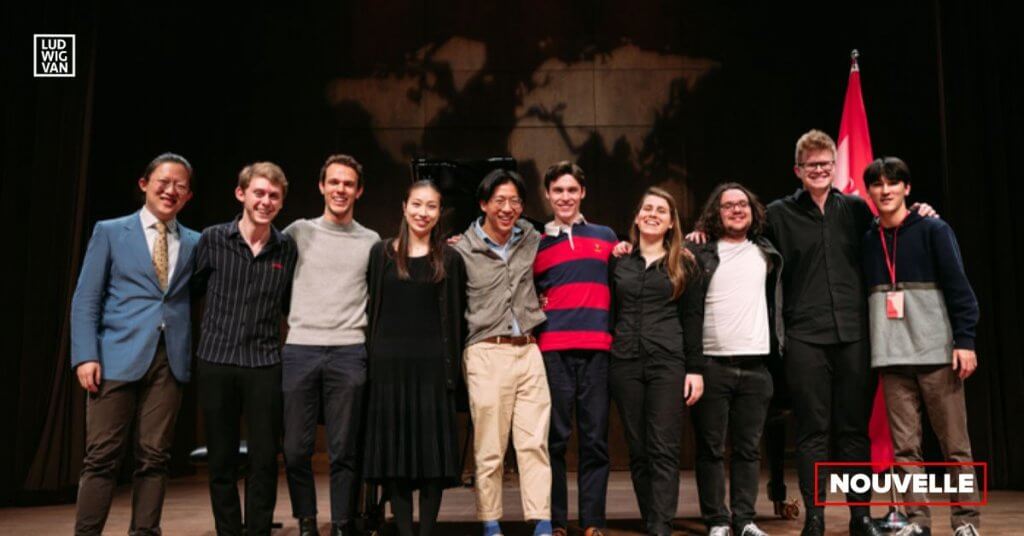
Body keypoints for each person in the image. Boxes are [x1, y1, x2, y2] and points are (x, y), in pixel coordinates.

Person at [70, 153, 199, 536]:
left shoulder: (196, 242)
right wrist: (85, 355)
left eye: (180, 186)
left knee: (154, 457)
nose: (171, 190)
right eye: (164, 182)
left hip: (168, 360)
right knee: (102, 457)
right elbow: (86, 298)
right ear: (144, 184)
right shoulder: (111, 232)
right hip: (114, 357)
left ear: (188, 196)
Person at [862, 157, 981, 536]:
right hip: (892, 358)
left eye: (893, 183)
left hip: (937, 355)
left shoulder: (934, 229)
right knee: (905, 450)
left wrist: (965, 340)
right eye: (878, 184)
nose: (885, 190)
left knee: (955, 447)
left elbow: (960, 289)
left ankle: (966, 521)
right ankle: (916, 522)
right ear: (870, 192)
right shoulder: (868, 239)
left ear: (907, 188)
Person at [193, 162, 298, 536]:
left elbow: (289, 304)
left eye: (274, 196)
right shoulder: (212, 239)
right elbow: (192, 290)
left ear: (281, 203)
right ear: (241, 194)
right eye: (259, 193)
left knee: (265, 460)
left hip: (264, 363)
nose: (266, 201)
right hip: (217, 361)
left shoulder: (286, 248)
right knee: (221, 460)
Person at [281, 154, 380, 536]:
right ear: (322, 186)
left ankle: (341, 524)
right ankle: (307, 521)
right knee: (295, 449)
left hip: (349, 350)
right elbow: (277, 284)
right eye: (334, 182)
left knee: (344, 449)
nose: (341, 189)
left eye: (348, 184)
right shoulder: (298, 232)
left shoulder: (370, 241)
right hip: (300, 347)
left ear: (359, 191)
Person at [452, 168, 553, 536]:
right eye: (499, 201)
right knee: (490, 447)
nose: (507, 208)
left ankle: (542, 523)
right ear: (484, 204)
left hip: (528, 348)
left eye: (515, 201)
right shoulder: (462, 249)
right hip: (486, 352)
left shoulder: (531, 237)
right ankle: (490, 524)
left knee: (534, 443)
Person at [363, 179, 467, 536]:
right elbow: (372, 308)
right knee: (396, 460)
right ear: (404, 207)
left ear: (439, 213)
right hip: (388, 369)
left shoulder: (451, 258)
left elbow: (457, 315)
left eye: (431, 206)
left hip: (433, 370)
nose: (423, 212)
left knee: (431, 460)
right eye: (417, 204)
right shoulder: (380, 253)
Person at [687, 183, 783, 536]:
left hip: (757, 366)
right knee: (710, 449)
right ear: (716, 212)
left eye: (743, 204)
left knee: (748, 450)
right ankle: (717, 520)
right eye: (728, 205)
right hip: (712, 365)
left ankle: (744, 520)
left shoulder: (767, 252)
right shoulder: (698, 251)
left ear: (753, 211)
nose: (737, 210)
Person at [609, 186, 704, 536]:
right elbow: (611, 312)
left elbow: (692, 319)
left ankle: (660, 525)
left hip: (668, 363)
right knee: (638, 449)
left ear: (671, 222)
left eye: (661, 210)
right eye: (647, 208)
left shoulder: (685, 264)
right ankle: (652, 517)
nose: (652, 214)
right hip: (625, 363)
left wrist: (695, 369)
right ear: (637, 218)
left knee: (663, 447)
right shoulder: (618, 262)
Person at [533, 161, 617, 536]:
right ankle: (556, 522)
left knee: (595, 440)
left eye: (571, 190)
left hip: (597, 349)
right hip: (552, 351)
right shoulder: (536, 242)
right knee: (554, 440)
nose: (565, 197)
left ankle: (593, 522)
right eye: (558, 191)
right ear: (548, 195)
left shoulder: (606, 237)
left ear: (582, 192)